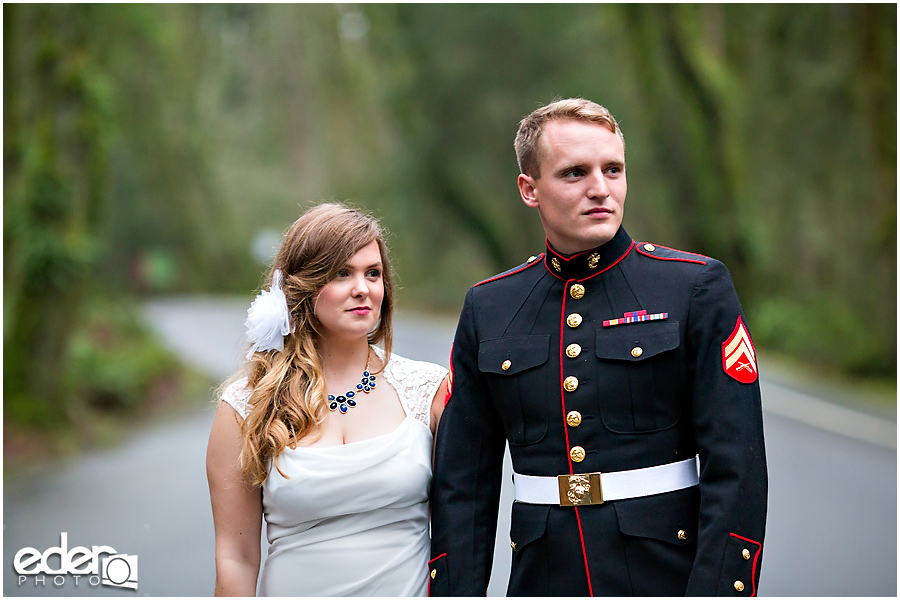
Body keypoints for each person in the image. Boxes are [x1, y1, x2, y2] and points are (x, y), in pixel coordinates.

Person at [430, 98, 767, 596]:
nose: (601, 189)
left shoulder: (692, 287)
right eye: (574, 173)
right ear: (529, 189)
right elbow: (464, 488)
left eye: (613, 169)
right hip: (543, 579)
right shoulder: (490, 307)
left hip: (664, 578)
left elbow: (737, 468)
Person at [207, 203, 448, 596]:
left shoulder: (426, 390)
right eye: (342, 273)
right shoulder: (246, 406)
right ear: (303, 285)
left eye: (373, 273)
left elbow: (457, 538)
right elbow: (236, 556)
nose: (363, 288)